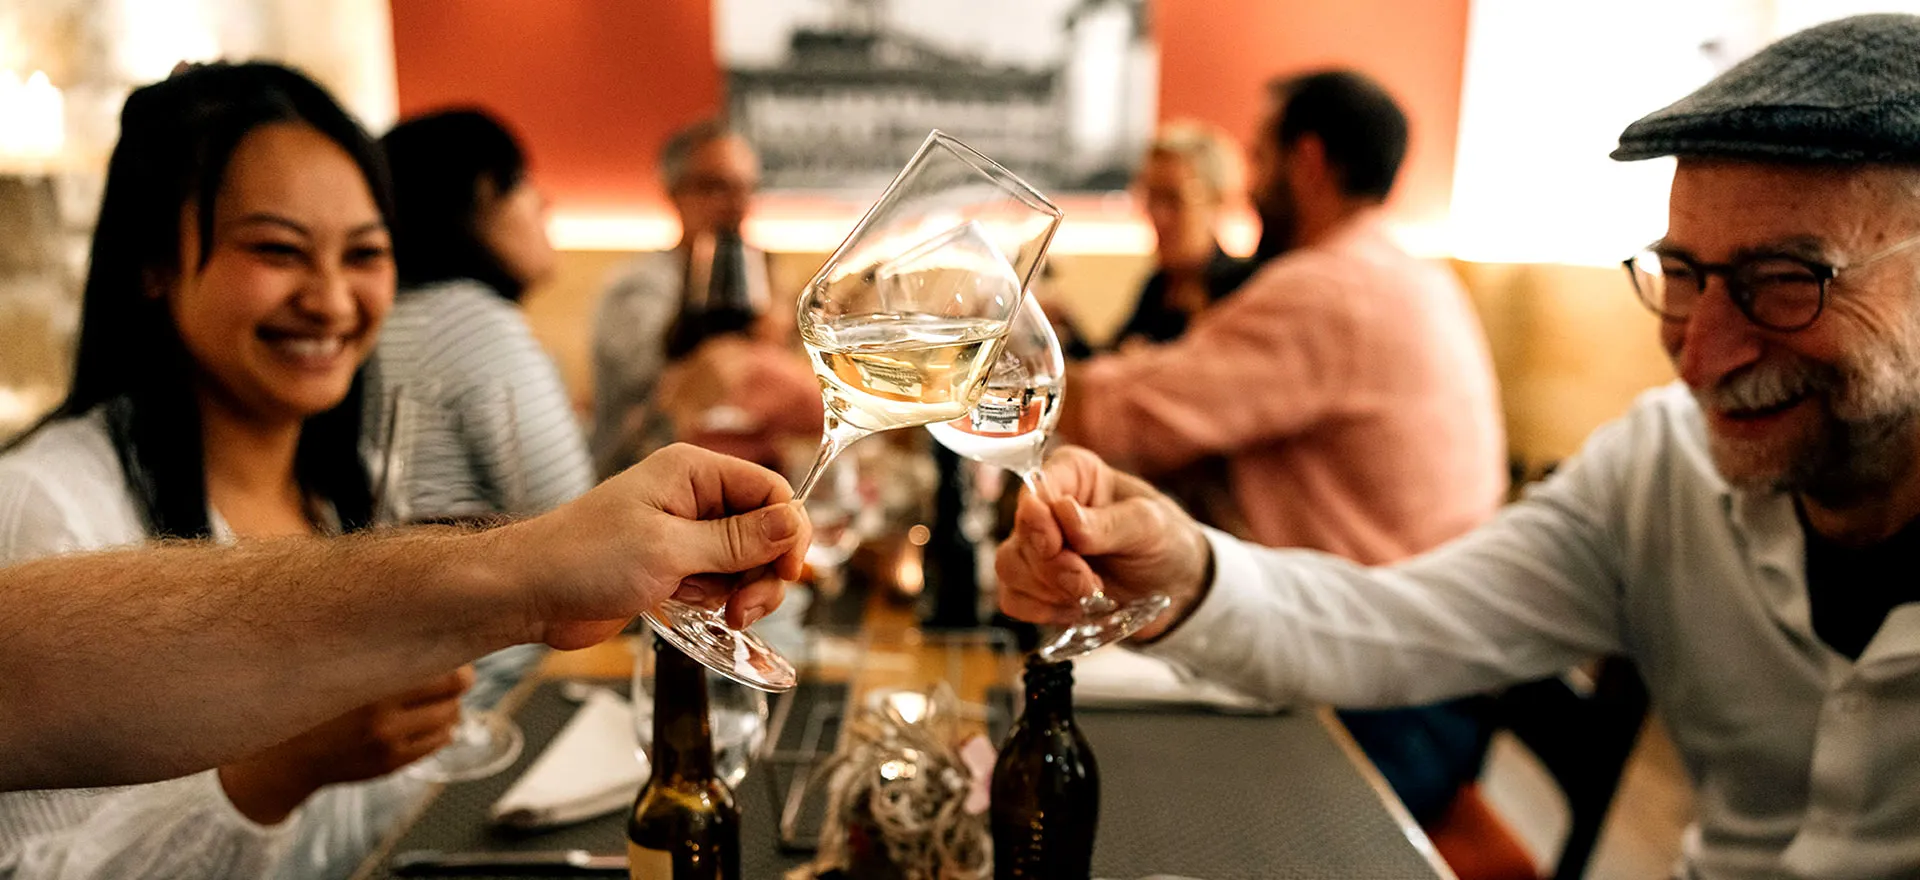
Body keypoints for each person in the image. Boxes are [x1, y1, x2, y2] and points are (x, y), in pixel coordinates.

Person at [996, 14, 1920, 877]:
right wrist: (1185, 568)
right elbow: (1397, 623)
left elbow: (1130, 410)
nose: (1701, 354)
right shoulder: (1659, 467)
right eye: (1681, 273)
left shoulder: (1336, 287)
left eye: (1785, 280)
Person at [1060, 70, 1509, 822]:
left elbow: (1122, 415)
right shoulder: (1406, 273)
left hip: (1381, 701)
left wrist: (982, 363)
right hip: (1428, 666)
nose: (1251, 185)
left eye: (1260, 158)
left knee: (1107, 790)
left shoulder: (1327, 289)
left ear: (1308, 160)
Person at [0, 442, 808, 795]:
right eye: (278, 249)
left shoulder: (339, 472)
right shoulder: (38, 500)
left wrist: (531, 584)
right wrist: (275, 776)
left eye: (364, 252)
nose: (330, 296)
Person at [377, 108, 593, 517]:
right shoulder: (468, 322)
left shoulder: (392, 316)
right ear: (476, 199)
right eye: (521, 181)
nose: (544, 201)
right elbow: (575, 515)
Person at [589, 119, 818, 475]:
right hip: (637, 477)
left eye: (747, 188)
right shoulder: (638, 288)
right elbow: (672, 393)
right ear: (675, 192)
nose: (738, 204)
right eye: (718, 186)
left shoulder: (752, 277)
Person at [1112, 121, 1257, 353]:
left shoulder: (1243, 290)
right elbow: (1115, 358)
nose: (1158, 216)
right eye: (1151, 197)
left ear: (1217, 200)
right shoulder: (1158, 285)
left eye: (1173, 199)